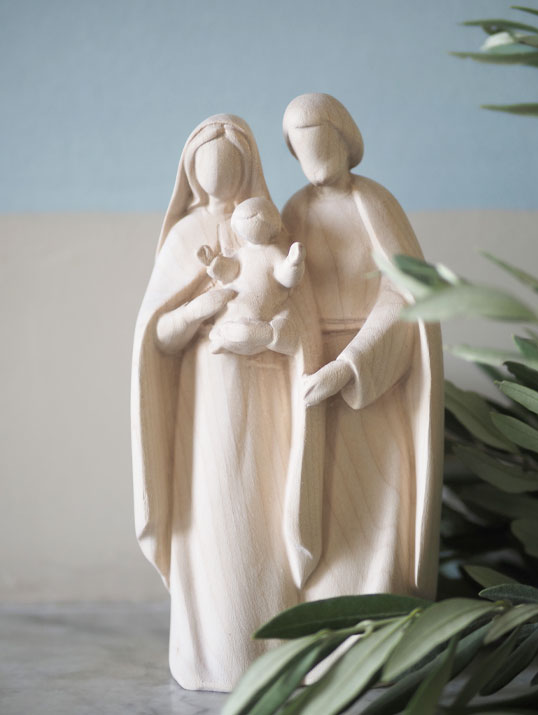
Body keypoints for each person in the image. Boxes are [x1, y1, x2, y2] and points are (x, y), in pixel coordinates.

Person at [131, 115, 324, 691]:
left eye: (229, 168)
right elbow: (158, 337)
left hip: (267, 399)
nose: (217, 181)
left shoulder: (272, 229)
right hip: (205, 402)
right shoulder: (184, 236)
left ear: (248, 168)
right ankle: (209, 653)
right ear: (190, 174)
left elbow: (301, 318)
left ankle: (273, 648)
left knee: (263, 513)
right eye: (206, 170)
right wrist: (200, 309)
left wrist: (269, 335)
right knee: (212, 514)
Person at [282, 93, 444, 602]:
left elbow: (405, 291)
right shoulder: (295, 209)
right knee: (324, 502)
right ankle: (323, 618)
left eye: (320, 143)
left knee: (380, 495)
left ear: (344, 139)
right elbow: (280, 288)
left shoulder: (372, 202)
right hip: (311, 368)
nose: (313, 159)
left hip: (372, 377)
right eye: (301, 148)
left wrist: (350, 365)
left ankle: (378, 615)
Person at [193, 196, 306, 354]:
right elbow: (229, 271)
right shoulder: (242, 254)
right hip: (236, 309)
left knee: (267, 327)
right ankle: (224, 337)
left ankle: (245, 335)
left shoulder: (273, 253)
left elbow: (285, 277)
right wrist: (212, 262)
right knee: (230, 322)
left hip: (262, 316)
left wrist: (293, 263)